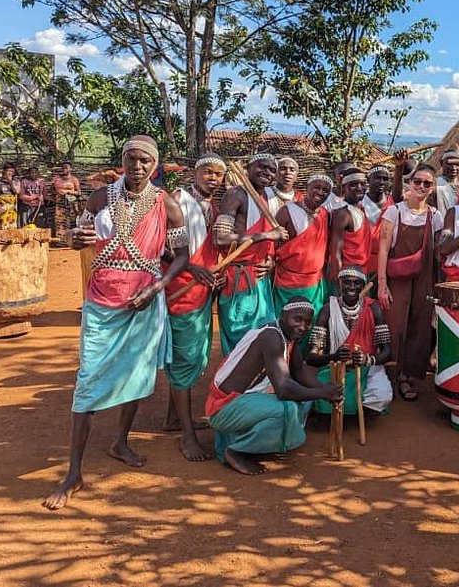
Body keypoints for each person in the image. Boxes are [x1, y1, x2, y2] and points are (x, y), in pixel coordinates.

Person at [43, 136, 189, 510]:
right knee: (88, 380)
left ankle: (120, 441)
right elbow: (77, 238)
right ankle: (74, 472)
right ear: (121, 160)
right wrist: (75, 238)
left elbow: (182, 256)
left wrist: (156, 287)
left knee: (137, 377)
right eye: (130, 159)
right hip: (101, 299)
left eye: (144, 161)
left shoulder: (166, 204)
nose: (137, 166)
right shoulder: (98, 197)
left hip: (144, 303)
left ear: (154, 165)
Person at [205, 298, 343, 474]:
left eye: (308, 322)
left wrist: (328, 391)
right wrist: (322, 392)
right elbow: (284, 389)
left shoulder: (287, 337)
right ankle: (237, 451)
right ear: (283, 316)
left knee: (305, 402)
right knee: (287, 409)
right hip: (223, 408)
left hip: (238, 405)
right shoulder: (271, 337)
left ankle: (242, 441)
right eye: (298, 320)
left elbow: (300, 372)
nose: (303, 327)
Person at [162, 153, 226, 461]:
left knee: (191, 357)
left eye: (218, 174)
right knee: (185, 359)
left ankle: (174, 418)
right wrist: (191, 270)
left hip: (203, 291)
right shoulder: (178, 200)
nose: (212, 178)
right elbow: (161, 247)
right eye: (207, 173)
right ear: (196, 175)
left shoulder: (213, 208)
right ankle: (186, 436)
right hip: (182, 292)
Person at [378, 161, 444, 401]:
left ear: (433, 187)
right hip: (398, 280)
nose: (422, 186)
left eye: (427, 183)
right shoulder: (394, 211)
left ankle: (407, 377)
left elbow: (438, 252)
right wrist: (382, 285)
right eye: (417, 181)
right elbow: (384, 249)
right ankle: (388, 375)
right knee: (394, 326)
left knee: (419, 327)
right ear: (409, 182)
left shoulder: (434, 215)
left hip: (423, 280)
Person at [214, 153, 288, 354]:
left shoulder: (269, 198)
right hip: (238, 279)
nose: (267, 172)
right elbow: (220, 238)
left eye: (272, 170)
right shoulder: (236, 195)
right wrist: (265, 235)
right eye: (262, 167)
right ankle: (234, 383)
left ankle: (256, 385)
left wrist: (271, 260)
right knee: (242, 341)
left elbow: (271, 244)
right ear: (248, 168)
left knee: (263, 336)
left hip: (260, 278)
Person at [307, 265, 393, 416]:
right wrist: (334, 357)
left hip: (366, 368)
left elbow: (387, 352)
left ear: (363, 285)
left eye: (357, 283)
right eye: (347, 282)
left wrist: (367, 359)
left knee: (381, 395)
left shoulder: (373, 309)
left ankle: (354, 413)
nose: (351, 287)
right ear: (340, 284)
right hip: (335, 368)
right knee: (312, 394)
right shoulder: (328, 310)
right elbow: (312, 357)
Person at [273, 175, 333, 317]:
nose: (320, 192)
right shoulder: (286, 211)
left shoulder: (326, 215)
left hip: (314, 282)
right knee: (286, 321)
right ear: (307, 187)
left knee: (311, 324)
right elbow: (273, 245)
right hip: (287, 281)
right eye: (317, 187)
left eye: (325, 190)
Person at [327, 169, 371, 288]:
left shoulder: (360, 209)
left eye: (363, 184)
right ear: (343, 188)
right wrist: (339, 283)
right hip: (347, 276)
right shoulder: (343, 213)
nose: (359, 188)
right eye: (353, 184)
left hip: (359, 271)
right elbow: (336, 251)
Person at [362, 165, 394, 275]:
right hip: (363, 261)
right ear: (368, 179)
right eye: (377, 178)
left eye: (385, 179)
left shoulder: (392, 203)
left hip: (386, 261)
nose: (381, 182)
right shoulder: (360, 202)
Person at [51, 161, 82, 244]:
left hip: (71, 204)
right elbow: (52, 190)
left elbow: (79, 193)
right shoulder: (56, 179)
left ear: (70, 169)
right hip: (60, 204)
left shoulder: (74, 179)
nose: (64, 169)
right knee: (60, 222)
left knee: (71, 222)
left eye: (66, 167)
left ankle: (71, 242)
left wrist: (68, 193)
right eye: (63, 167)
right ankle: (61, 242)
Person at [0, 163, 20, 230]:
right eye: (9, 171)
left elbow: (17, 192)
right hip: (0, 205)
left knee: (11, 221)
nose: (10, 173)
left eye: (12, 171)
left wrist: (10, 181)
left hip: (11, 205)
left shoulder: (15, 181)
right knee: (0, 221)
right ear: (4, 171)